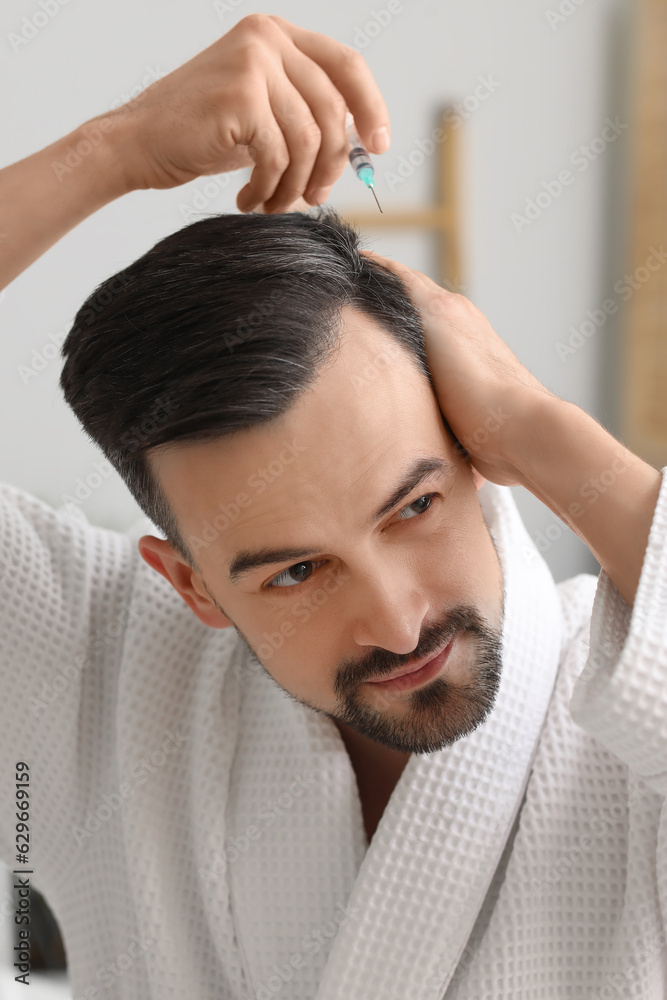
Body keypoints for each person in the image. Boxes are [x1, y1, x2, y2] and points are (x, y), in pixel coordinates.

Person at [1, 12, 665, 1000]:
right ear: (191, 585)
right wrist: (119, 148)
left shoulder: (629, 720)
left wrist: (540, 424)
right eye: (298, 571)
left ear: (475, 456)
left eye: (412, 507)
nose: (399, 619)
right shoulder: (96, 664)